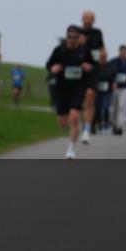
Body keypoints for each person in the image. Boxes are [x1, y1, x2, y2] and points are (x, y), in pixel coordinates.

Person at [46, 25, 94, 159]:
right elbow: (49, 64)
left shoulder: (84, 51)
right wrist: (53, 68)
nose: (72, 40)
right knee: (62, 122)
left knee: (74, 117)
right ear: (66, 37)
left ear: (79, 38)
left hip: (78, 88)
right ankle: (73, 127)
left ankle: (71, 148)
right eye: (69, 37)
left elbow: (93, 67)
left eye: (75, 37)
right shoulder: (59, 50)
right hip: (61, 88)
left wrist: (89, 67)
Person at [78, 10, 106, 143]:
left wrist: (103, 55)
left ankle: (87, 129)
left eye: (91, 18)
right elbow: (69, 48)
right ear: (82, 19)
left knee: (90, 97)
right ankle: (79, 123)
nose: (88, 20)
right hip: (79, 70)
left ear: (94, 20)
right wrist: (79, 44)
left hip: (94, 69)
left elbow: (102, 47)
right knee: (79, 100)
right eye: (86, 18)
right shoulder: (76, 32)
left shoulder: (98, 33)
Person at [110, 44, 126, 136]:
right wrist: (112, 81)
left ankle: (119, 126)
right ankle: (114, 125)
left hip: (125, 87)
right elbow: (109, 72)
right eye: (122, 52)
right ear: (119, 52)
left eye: (125, 52)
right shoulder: (113, 62)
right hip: (115, 88)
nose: (123, 53)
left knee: (122, 107)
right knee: (114, 108)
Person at [95, 59, 116, 134]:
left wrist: (113, 83)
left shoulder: (110, 67)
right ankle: (99, 124)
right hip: (98, 90)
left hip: (108, 90)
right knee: (98, 108)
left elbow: (114, 76)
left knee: (106, 107)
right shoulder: (96, 67)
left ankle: (106, 124)